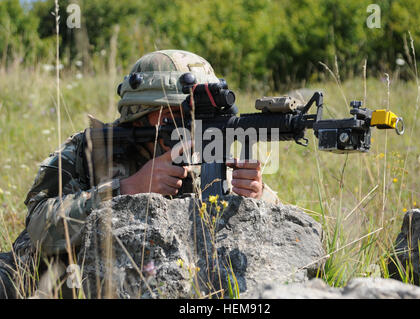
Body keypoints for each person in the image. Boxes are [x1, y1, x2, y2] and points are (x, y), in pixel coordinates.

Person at [0, 49, 279, 298]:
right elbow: (38, 228)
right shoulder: (88, 150)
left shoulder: (203, 156)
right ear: (142, 112)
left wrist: (256, 195)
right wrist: (127, 188)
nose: (190, 122)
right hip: (48, 279)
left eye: (197, 113)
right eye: (176, 113)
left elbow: (274, 232)